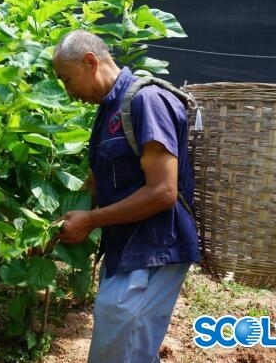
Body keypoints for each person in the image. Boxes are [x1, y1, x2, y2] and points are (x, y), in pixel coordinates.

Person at [51, 30, 199, 363]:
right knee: (127, 348)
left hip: (155, 247)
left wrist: (90, 221)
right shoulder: (109, 110)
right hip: (128, 248)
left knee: (121, 350)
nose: (67, 92)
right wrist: (52, 229)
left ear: (90, 62)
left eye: (67, 79)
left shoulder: (146, 101)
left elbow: (163, 192)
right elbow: (96, 184)